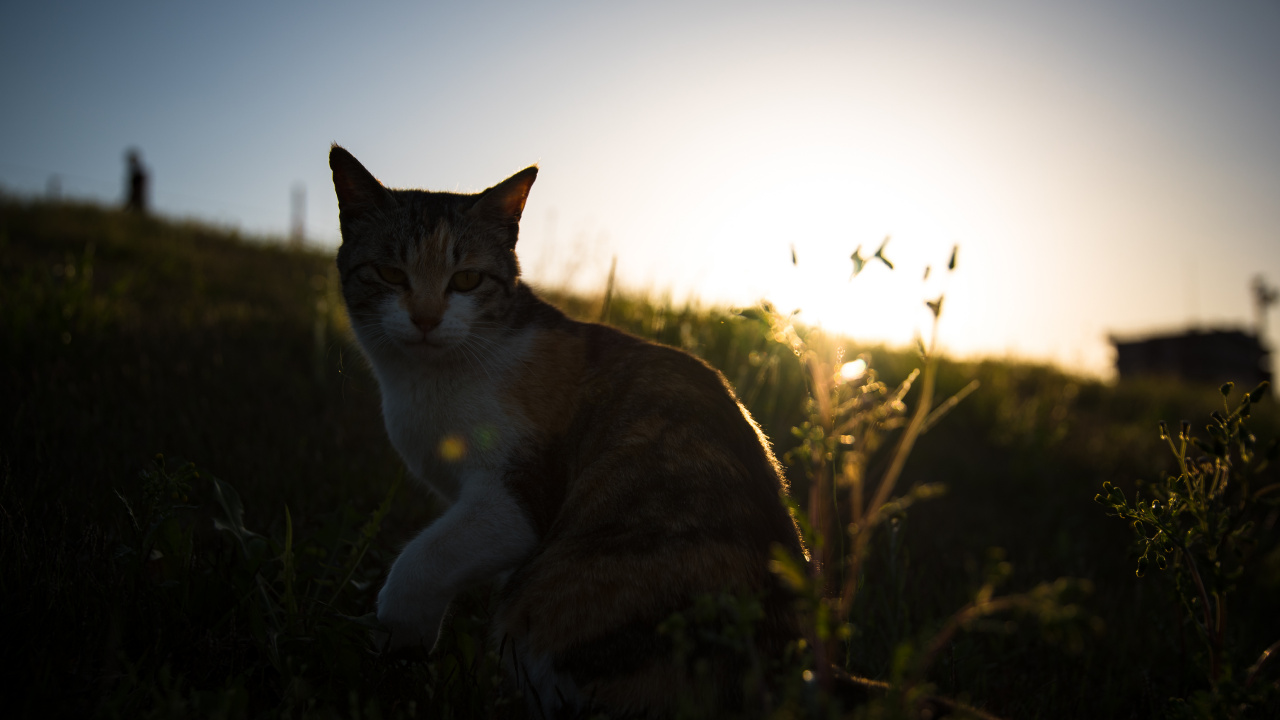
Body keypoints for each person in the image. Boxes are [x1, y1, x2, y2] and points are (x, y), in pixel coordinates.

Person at [125, 149, 149, 213]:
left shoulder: (137, 168)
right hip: (136, 189)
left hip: (137, 189)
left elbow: (140, 178)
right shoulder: (136, 168)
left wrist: (137, 187)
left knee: (137, 203)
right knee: (136, 203)